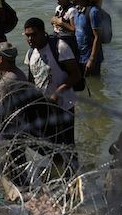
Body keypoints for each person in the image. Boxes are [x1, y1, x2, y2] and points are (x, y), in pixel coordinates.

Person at [22, 17, 83, 165]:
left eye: (34, 34)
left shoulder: (59, 47)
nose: (30, 39)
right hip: (43, 108)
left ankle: (73, 178)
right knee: (47, 145)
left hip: (63, 106)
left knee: (67, 147)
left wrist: (57, 93)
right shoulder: (30, 54)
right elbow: (32, 81)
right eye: (27, 35)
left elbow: (76, 74)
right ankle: (58, 171)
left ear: (43, 33)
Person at [71, 0, 104, 77]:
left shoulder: (93, 12)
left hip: (91, 58)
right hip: (80, 57)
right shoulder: (77, 10)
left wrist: (91, 59)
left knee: (94, 84)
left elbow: (98, 37)